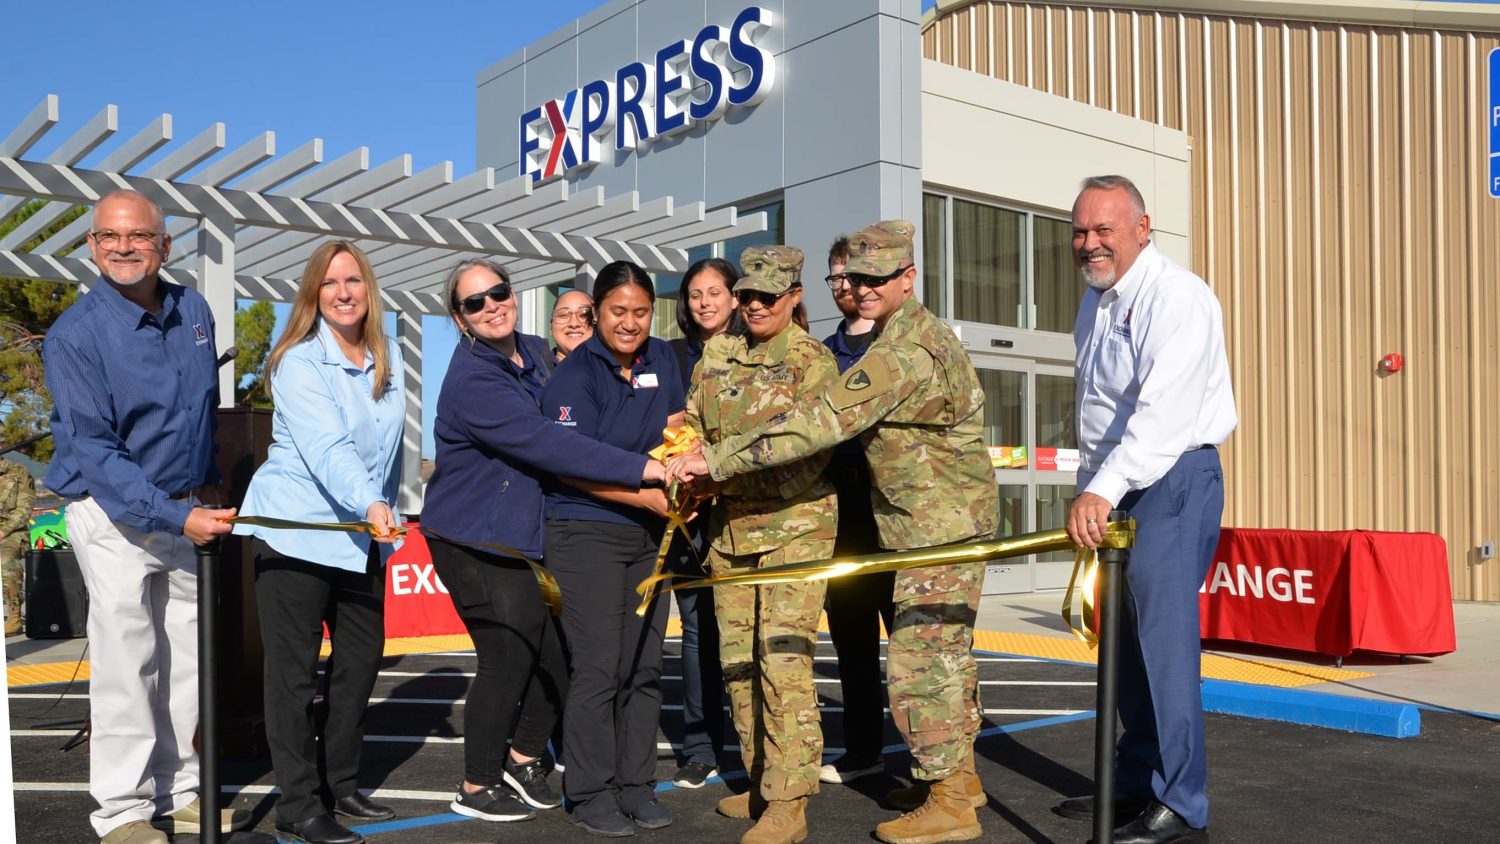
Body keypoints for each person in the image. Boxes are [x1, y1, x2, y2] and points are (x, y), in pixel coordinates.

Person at [668, 220, 998, 844]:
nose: (863, 288)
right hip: (918, 520)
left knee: (922, 663)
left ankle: (952, 800)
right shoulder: (895, 336)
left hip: (939, 525)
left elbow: (817, 424)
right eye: (855, 277)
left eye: (877, 278)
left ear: (908, 279)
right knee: (939, 659)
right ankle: (958, 781)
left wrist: (714, 462)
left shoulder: (903, 351)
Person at [422, 258, 669, 828]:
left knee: (560, 656)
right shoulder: (474, 380)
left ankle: (523, 760)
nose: (491, 306)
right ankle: (476, 784)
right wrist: (645, 471)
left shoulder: (532, 351)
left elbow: (581, 370)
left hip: (523, 535)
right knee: (508, 656)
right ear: (459, 318)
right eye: (474, 303)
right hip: (474, 538)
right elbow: (548, 444)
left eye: (499, 293)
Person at [42, 190, 243, 844]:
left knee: (186, 661)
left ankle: (180, 790)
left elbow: (200, 407)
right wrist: (171, 514)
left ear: (165, 245)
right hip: (111, 514)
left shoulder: (195, 310)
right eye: (108, 236)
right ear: (93, 246)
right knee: (128, 663)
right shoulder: (76, 334)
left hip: (184, 507)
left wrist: (205, 482)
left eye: (137, 236)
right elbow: (96, 451)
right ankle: (123, 811)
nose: (123, 247)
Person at [1054, 175, 1236, 844]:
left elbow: (1164, 414)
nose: (1090, 242)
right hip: (1121, 481)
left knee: (1162, 647)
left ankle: (1183, 805)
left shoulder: (1175, 297)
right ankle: (1136, 782)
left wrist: (1105, 486)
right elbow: (1099, 413)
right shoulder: (1098, 302)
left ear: (1142, 228)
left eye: (1104, 229)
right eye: (1080, 231)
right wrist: (1093, 482)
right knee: (1124, 647)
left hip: (1172, 476)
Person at [232, 241, 404, 844]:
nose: (343, 291)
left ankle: (342, 784)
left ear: (369, 288)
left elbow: (389, 452)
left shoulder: (387, 355)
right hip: (297, 531)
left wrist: (388, 512)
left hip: (358, 536)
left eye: (353, 279)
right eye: (330, 282)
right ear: (313, 293)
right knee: (294, 677)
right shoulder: (298, 362)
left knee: (360, 664)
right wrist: (374, 503)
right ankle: (300, 807)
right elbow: (329, 450)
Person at [687, 246, 838, 844]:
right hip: (730, 534)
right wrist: (684, 451)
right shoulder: (718, 354)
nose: (753, 306)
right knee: (739, 664)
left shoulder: (812, 363)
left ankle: (789, 800)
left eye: (767, 298)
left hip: (793, 530)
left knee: (783, 665)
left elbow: (805, 454)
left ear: (795, 297)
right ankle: (759, 778)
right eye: (745, 295)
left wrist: (717, 466)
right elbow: (697, 423)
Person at [540, 261, 683, 837]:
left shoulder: (662, 359)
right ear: (596, 311)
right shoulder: (574, 376)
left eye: (641, 312)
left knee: (644, 665)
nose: (630, 323)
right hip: (587, 530)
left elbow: (676, 424)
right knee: (599, 667)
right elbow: (569, 464)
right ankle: (591, 791)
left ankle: (636, 785)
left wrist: (683, 468)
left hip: (650, 535)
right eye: (618, 311)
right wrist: (643, 493)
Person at [817, 236, 895, 786]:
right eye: (837, 278)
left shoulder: (899, 346)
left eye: (856, 277)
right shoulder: (822, 354)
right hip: (840, 517)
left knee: (916, 640)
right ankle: (863, 750)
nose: (847, 287)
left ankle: (940, 760)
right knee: (852, 641)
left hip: (895, 514)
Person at [664, 256, 743, 790]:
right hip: (688, 515)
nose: (705, 301)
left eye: (715, 291)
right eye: (695, 293)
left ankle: (759, 743)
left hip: (745, 513)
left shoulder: (754, 350)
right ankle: (700, 745)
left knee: (747, 631)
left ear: (735, 298)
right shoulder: (668, 357)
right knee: (696, 631)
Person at [1, 457, 36, 637]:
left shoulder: (18, 471)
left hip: (13, 532)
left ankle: (14, 615)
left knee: (5, 560)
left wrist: (3, 531)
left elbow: (24, 508)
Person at [551, 288, 595, 362]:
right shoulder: (531, 371)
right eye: (564, 315)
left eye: (584, 315)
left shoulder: (616, 370)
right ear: (550, 328)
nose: (574, 323)